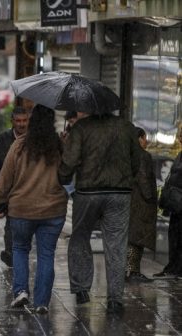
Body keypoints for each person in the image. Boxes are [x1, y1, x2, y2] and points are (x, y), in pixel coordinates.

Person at [59, 112, 141, 314]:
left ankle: (81, 289)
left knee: (80, 236)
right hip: (119, 193)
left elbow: (69, 161)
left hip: (88, 192)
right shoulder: (127, 127)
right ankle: (115, 299)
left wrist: (63, 176)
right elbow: (137, 160)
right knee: (116, 244)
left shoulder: (81, 128)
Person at [0, 105, 68, 313]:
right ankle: (42, 302)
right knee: (46, 254)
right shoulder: (59, 146)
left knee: (20, 248)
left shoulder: (20, 145)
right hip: (53, 210)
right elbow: (68, 173)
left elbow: (5, 176)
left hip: (22, 209)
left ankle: (21, 292)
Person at [0, 106, 29, 267]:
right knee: (11, 224)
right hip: (10, 191)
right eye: (18, 121)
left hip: (29, 190)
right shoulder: (3, 139)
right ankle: (12, 253)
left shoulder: (34, 140)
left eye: (25, 120)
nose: (21, 124)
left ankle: (16, 253)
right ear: (12, 121)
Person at [126, 127, 157, 283]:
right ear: (139, 138)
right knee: (137, 238)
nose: (147, 141)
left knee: (133, 236)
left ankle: (130, 270)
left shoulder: (128, 154)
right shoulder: (143, 156)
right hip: (141, 202)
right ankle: (132, 271)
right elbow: (144, 178)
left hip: (131, 201)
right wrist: (151, 197)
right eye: (145, 138)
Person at [157, 150, 182, 278]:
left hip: (179, 201)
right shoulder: (179, 155)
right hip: (176, 203)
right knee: (174, 237)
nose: (181, 138)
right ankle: (172, 268)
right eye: (180, 136)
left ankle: (177, 269)